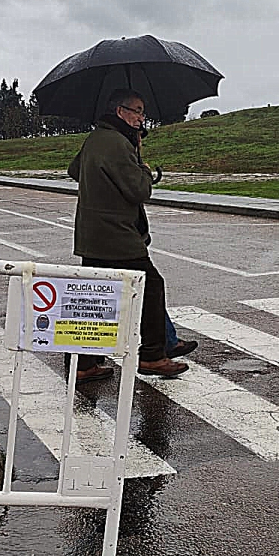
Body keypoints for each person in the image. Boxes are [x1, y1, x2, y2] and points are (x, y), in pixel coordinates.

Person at [69, 88, 189, 382]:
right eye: (136, 111)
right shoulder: (117, 144)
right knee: (151, 286)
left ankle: (84, 363)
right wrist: (144, 170)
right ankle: (152, 355)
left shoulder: (97, 138)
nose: (140, 117)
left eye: (142, 111)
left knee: (96, 297)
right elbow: (138, 190)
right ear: (120, 111)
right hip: (116, 236)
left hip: (92, 234)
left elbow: (74, 169)